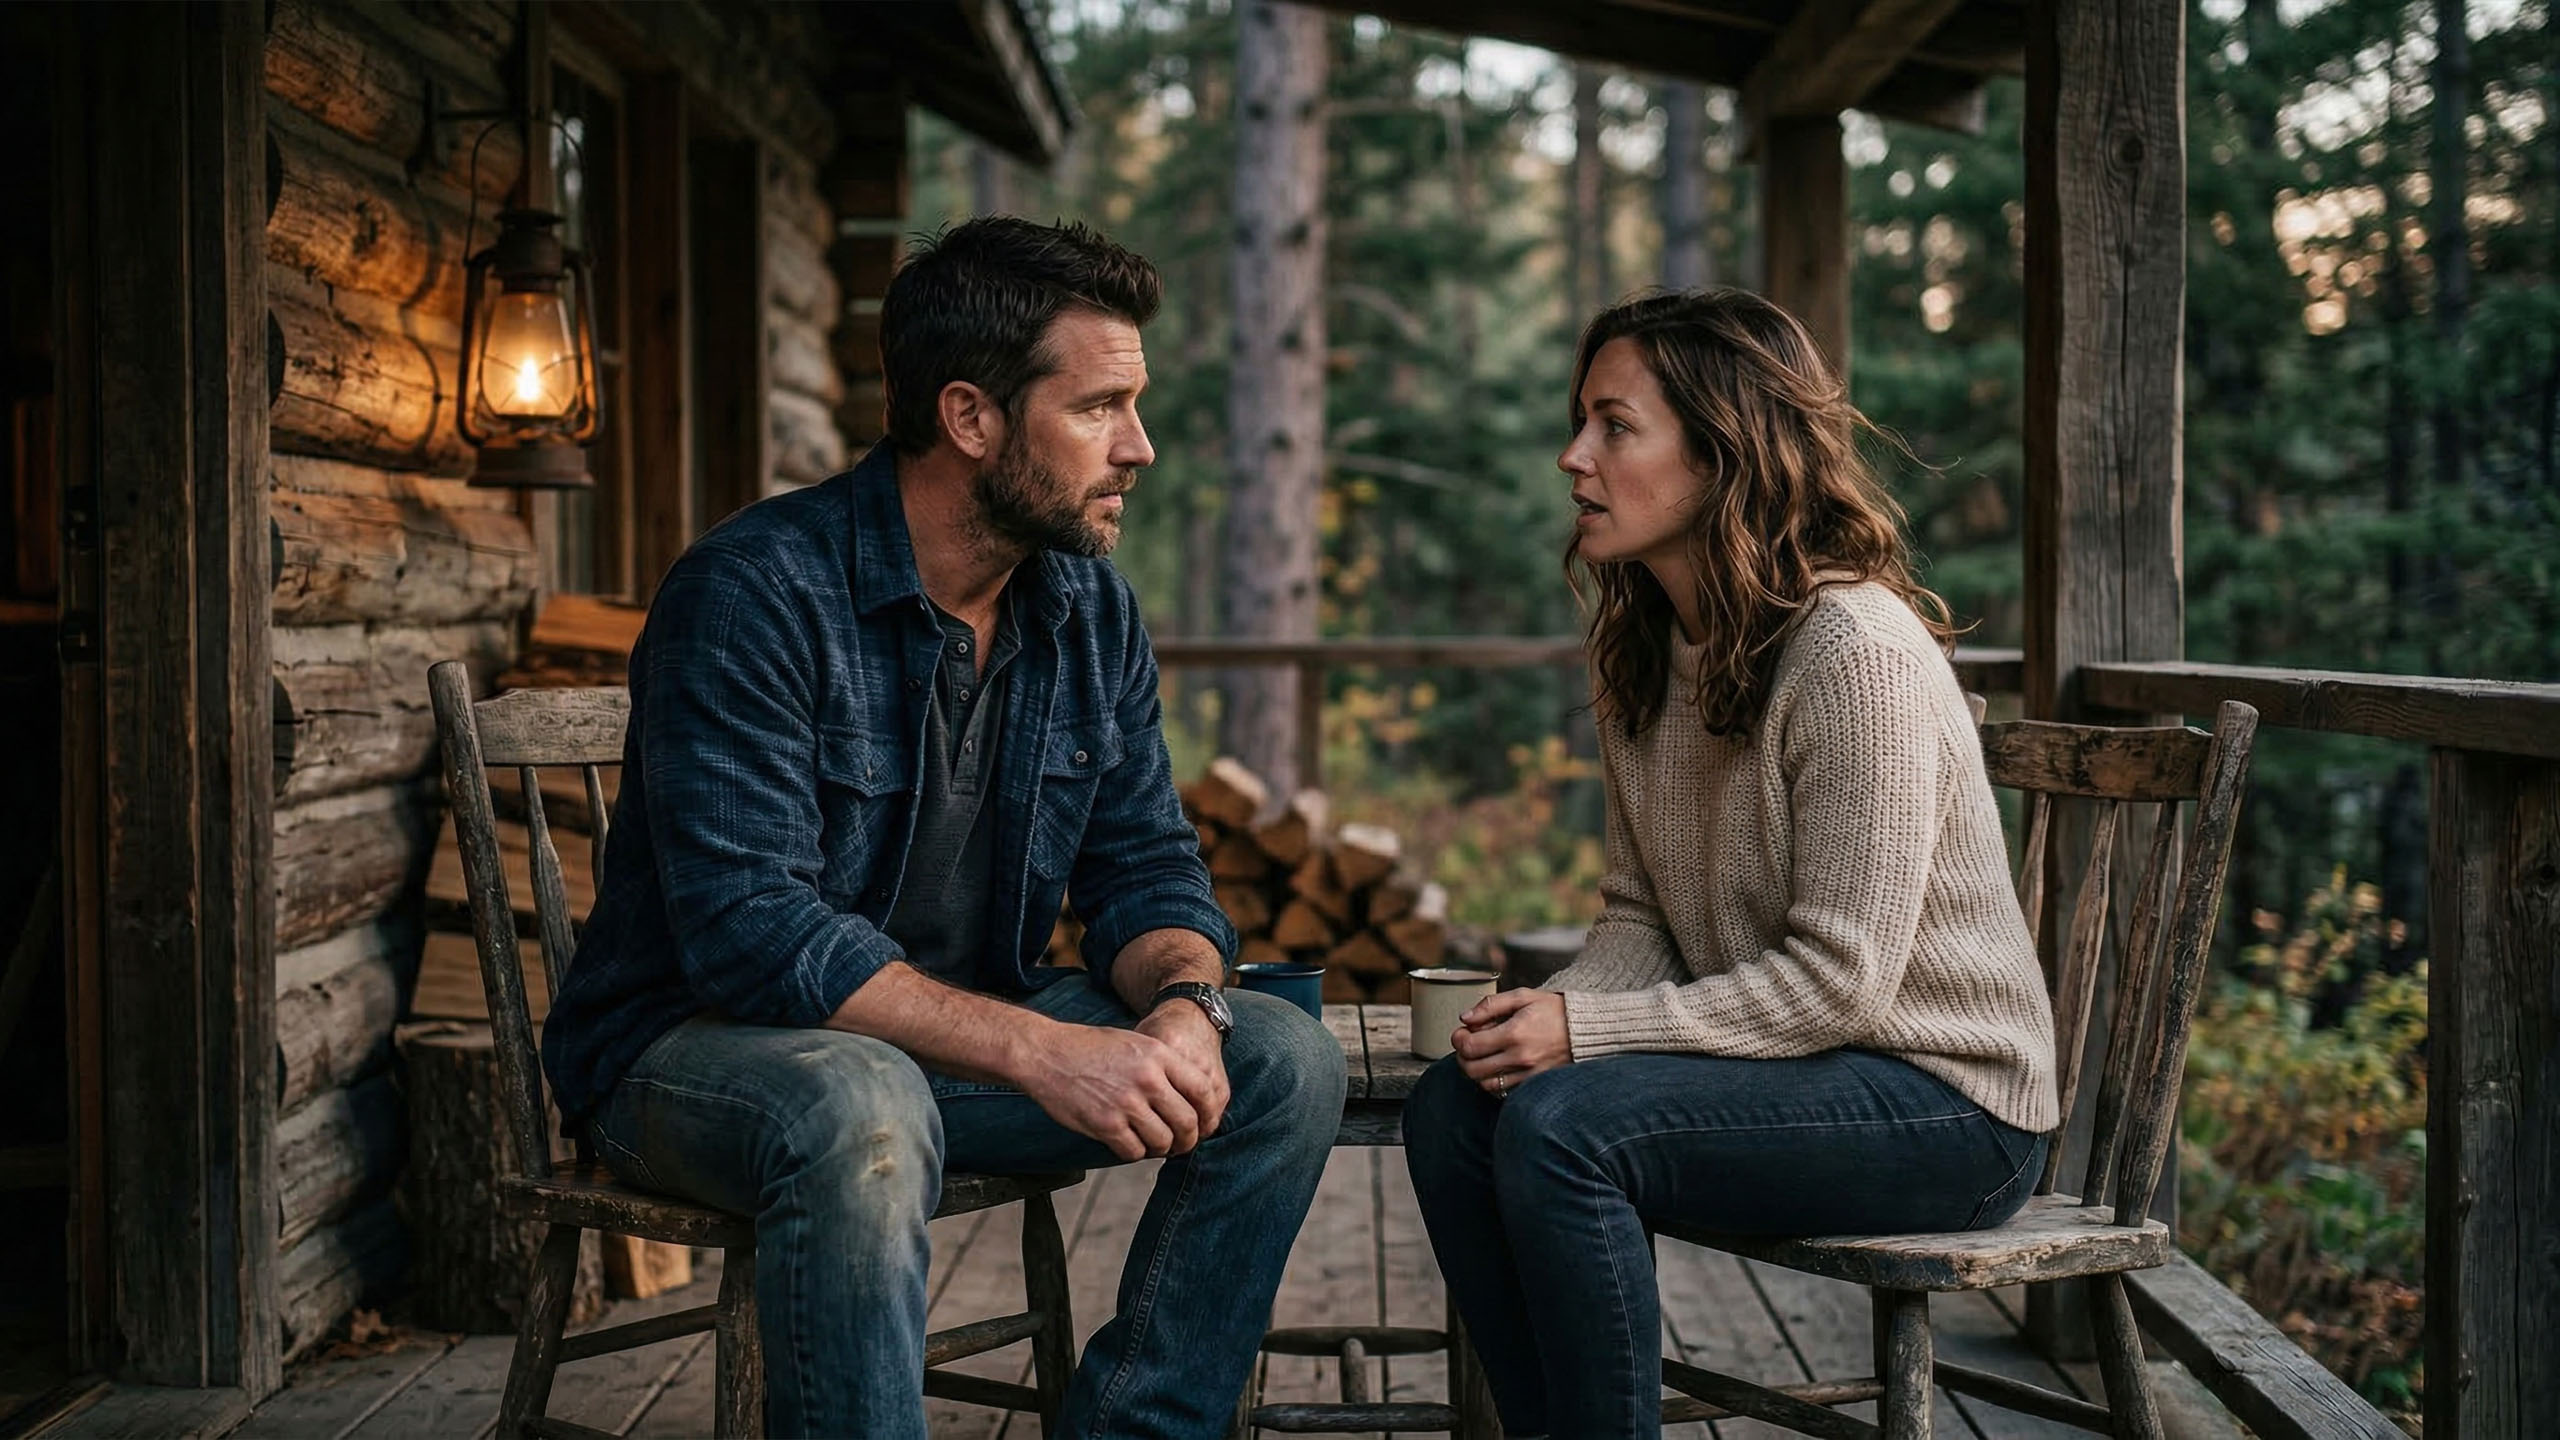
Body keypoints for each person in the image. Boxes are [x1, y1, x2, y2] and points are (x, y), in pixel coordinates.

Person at [541, 216, 1346, 1440]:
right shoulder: (754, 590)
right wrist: (1039, 1051)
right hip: (695, 1057)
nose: (1138, 446)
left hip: (950, 1049)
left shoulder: (1089, 611)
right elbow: (751, 931)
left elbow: (1144, 866)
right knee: (860, 1102)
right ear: (969, 417)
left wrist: (1191, 1003)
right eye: (1099, 408)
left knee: (1282, 1060)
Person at [1402, 289, 2060, 1439]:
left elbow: (1840, 983)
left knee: (1566, 1129)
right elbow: (1641, 914)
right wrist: (1536, 1025)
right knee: (1457, 1108)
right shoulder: (1645, 651)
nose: (1573, 457)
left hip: (1948, 1101)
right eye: (1579, 421)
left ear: (1721, 456)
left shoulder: (1852, 652)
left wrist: (1584, 1036)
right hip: (1800, 1067)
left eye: (1615, 426)